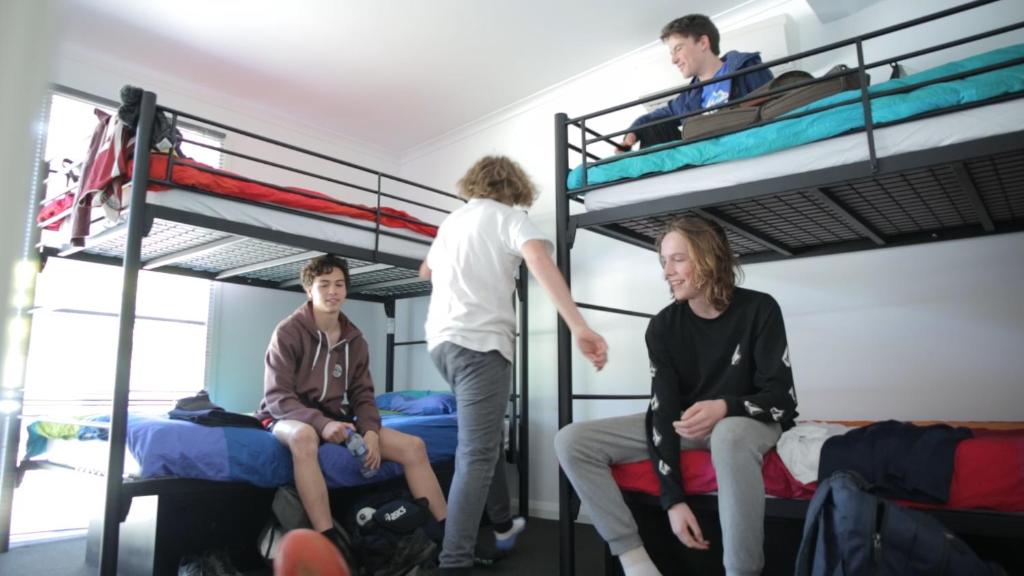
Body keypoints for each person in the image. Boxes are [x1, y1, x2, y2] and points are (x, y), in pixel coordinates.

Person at [555, 216, 798, 576]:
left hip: (748, 423)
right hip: (688, 427)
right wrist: (673, 500)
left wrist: (725, 407)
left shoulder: (760, 309)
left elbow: (782, 399)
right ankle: (636, 562)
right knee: (572, 440)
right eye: (663, 261)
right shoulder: (663, 327)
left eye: (678, 259)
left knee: (729, 433)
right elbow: (662, 412)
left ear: (709, 258)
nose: (667, 271)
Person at [420, 155, 609, 575]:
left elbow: (425, 271)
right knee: (476, 452)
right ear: (513, 188)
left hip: (441, 343)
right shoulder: (510, 218)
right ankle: (454, 562)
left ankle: (503, 526)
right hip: (481, 345)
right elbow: (540, 261)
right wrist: (579, 326)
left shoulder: (452, 222)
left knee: (485, 441)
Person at [256, 254, 448, 553]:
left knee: (414, 447)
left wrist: (370, 430)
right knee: (304, 437)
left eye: (339, 284)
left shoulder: (354, 338)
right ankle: (328, 542)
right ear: (309, 290)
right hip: (284, 415)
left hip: (333, 416)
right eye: (324, 285)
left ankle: (446, 539)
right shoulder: (288, 332)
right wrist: (322, 424)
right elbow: (277, 397)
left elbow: (363, 395)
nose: (333, 291)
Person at [619, 14, 774, 151]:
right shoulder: (688, 97)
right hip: (704, 160)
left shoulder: (747, 68)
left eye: (678, 48)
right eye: (671, 53)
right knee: (653, 127)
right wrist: (633, 132)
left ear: (703, 43)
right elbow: (653, 117)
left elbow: (776, 109)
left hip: (744, 148)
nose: (673, 60)